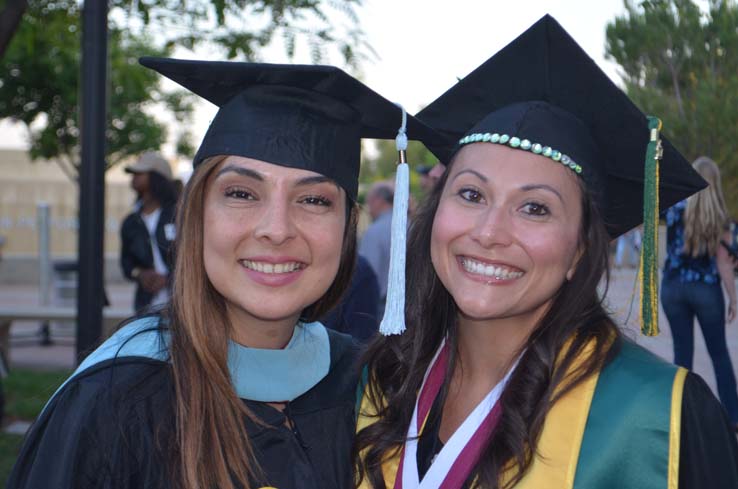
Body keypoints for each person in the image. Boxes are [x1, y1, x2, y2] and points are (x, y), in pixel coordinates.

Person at [7, 57, 443, 489]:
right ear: (196, 215)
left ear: (347, 228)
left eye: (314, 200)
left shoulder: (368, 386)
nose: (276, 230)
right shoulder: (114, 400)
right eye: (241, 193)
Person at [355, 16, 738, 489]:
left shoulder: (658, 420)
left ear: (580, 250)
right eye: (472, 195)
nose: (491, 232)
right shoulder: (377, 383)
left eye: (535, 208)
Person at [661, 156, 738, 426]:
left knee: (682, 356)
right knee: (719, 354)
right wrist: (733, 299)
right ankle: (733, 415)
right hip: (705, 290)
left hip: (672, 288)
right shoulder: (719, 216)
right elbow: (724, 263)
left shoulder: (673, 209)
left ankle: (679, 417)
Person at [120, 151, 178, 311]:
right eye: (133, 173)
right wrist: (140, 274)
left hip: (181, 303)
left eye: (140, 172)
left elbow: (197, 259)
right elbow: (126, 265)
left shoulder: (181, 216)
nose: (134, 176)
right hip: (145, 305)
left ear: (157, 177)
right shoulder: (131, 222)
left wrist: (168, 279)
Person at [360, 182, 394, 312]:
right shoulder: (413, 226)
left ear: (378, 201)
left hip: (383, 309)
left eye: (369, 203)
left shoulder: (375, 231)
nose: (369, 209)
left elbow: (367, 274)